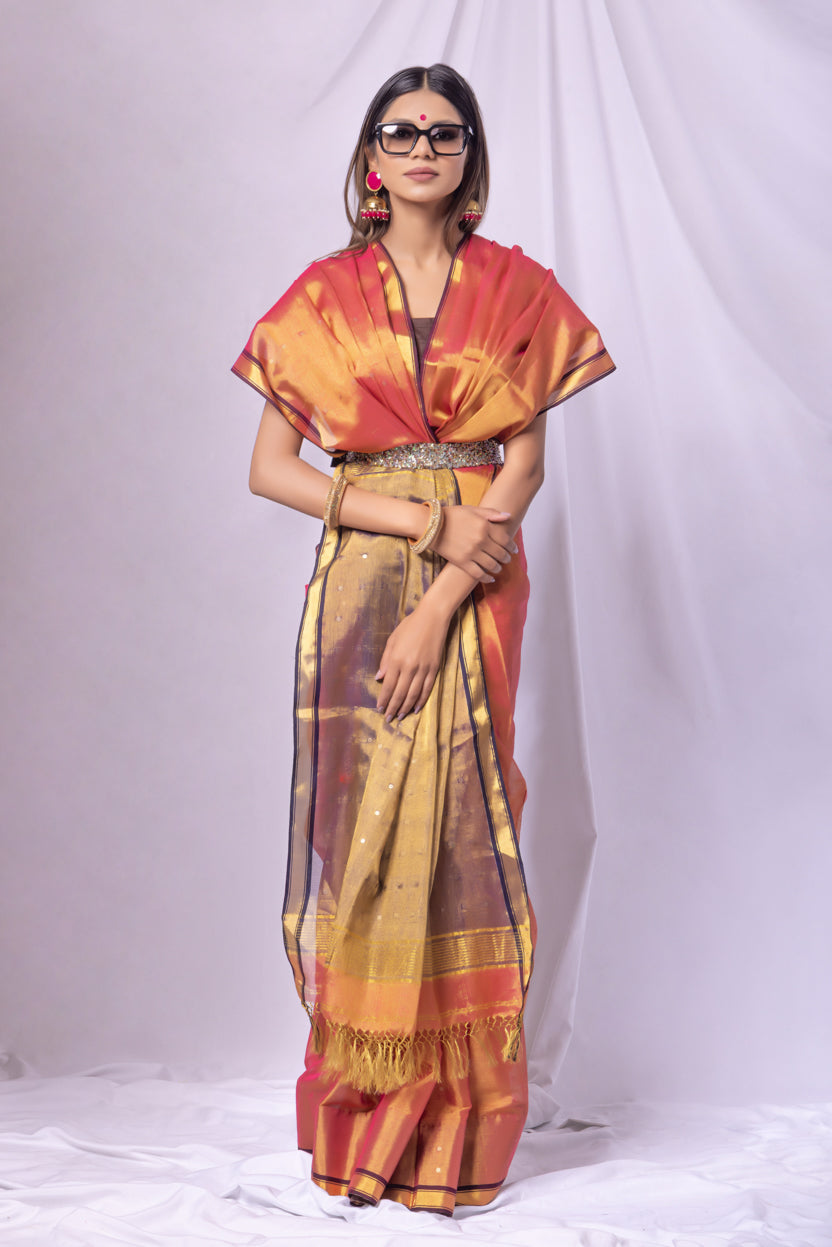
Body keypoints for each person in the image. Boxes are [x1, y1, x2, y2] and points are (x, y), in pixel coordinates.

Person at [232, 63, 614, 1216]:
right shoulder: (321, 296)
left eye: (444, 133)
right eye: (399, 132)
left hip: (477, 581)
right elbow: (271, 468)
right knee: (361, 830)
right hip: (360, 583)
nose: (421, 148)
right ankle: (364, 1110)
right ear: (369, 158)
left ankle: (458, 1118)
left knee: (462, 814)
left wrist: (445, 589)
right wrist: (417, 519)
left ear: (469, 157)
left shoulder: (518, 288)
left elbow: (524, 466)